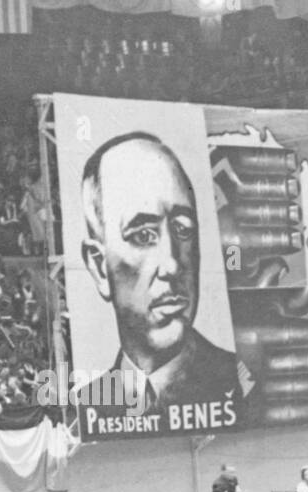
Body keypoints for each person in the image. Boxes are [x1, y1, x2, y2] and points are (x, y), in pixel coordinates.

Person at [77, 132, 242, 436]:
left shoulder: (243, 385)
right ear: (100, 268)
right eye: (143, 235)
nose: (172, 265)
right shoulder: (86, 407)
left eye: (183, 230)